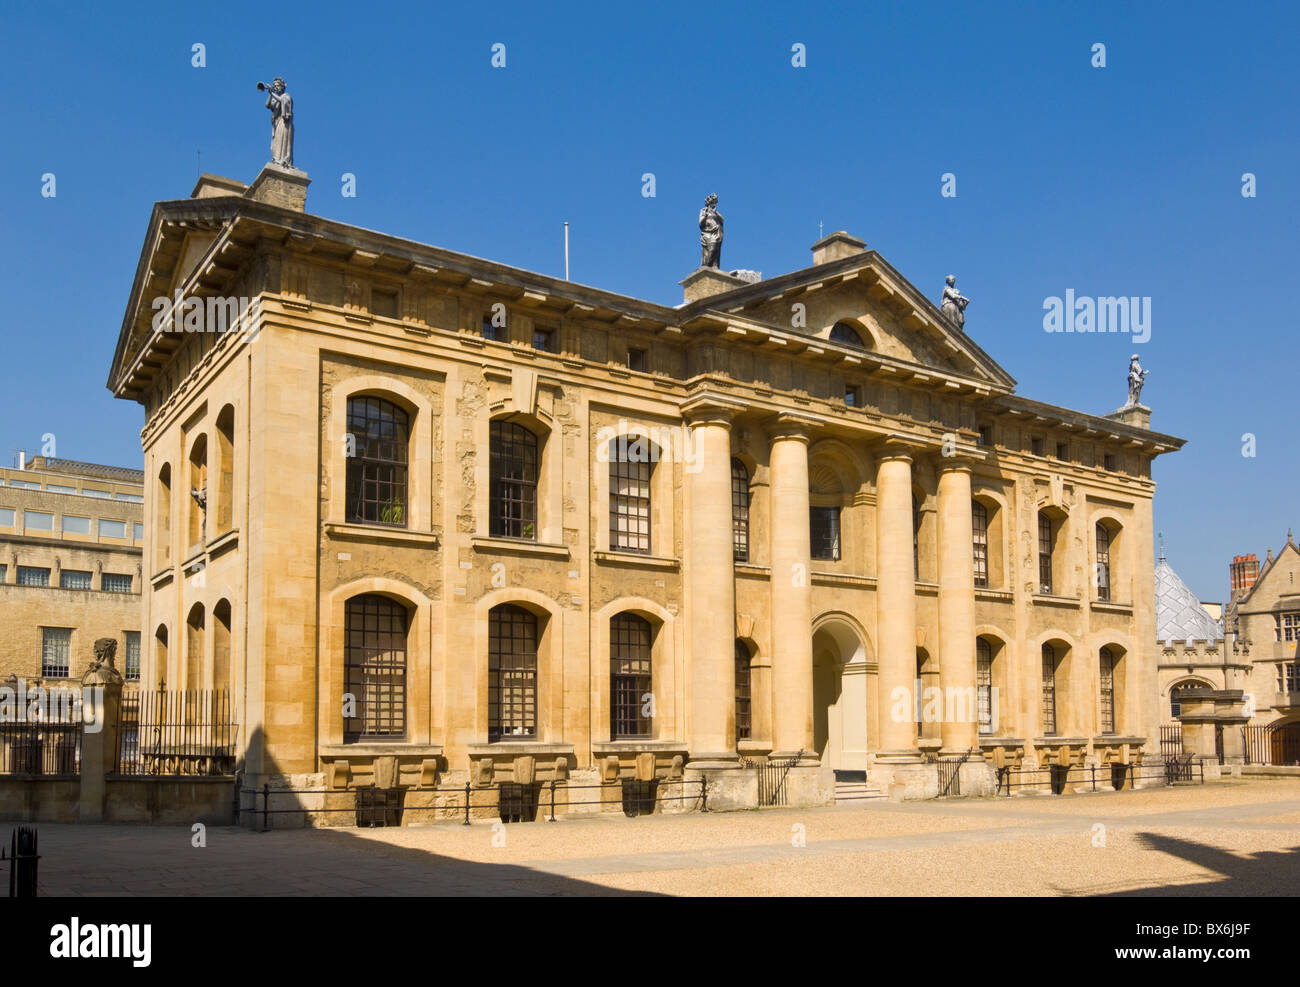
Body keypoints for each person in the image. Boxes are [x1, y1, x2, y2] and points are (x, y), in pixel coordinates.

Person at [265, 78, 294, 168]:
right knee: (275, 144)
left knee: (283, 142)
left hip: (284, 124)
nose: (276, 88)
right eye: (274, 86)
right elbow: (268, 105)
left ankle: (282, 160)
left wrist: (272, 93)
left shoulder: (286, 96)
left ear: (282, 87)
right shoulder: (275, 98)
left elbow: (283, 101)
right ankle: (277, 160)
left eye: (277, 86)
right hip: (277, 125)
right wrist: (270, 94)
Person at [699, 194, 723, 268]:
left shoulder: (716, 212)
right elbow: (700, 223)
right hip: (707, 233)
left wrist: (716, 213)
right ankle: (707, 266)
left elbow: (722, 220)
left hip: (716, 233)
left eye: (715, 202)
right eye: (713, 202)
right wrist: (705, 216)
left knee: (714, 249)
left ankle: (712, 265)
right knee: (710, 250)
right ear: (709, 202)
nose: (714, 204)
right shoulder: (703, 210)